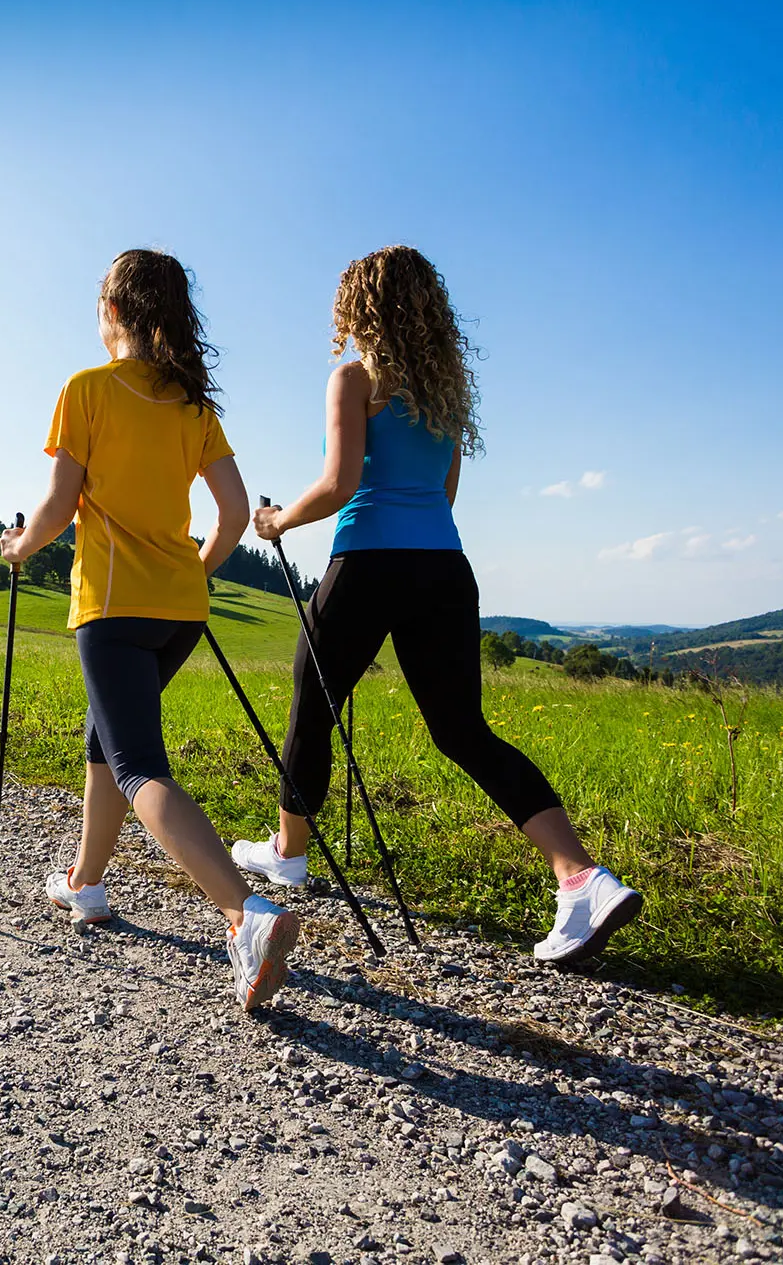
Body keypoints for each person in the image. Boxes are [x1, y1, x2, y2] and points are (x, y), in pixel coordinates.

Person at [242, 245, 642, 965]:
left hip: (366, 559)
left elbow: (337, 485)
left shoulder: (353, 378)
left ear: (359, 308)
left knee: (312, 697)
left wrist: (275, 523)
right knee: (463, 730)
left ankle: (288, 853)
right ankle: (580, 875)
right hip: (444, 567)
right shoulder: (444, 392)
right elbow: (444, 493)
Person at [0, 248, 300, 1010]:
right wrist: (196, 569)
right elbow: (233, 514)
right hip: (180, 610)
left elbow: (60, 504)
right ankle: (86, 884)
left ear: (117, 309)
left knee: (138, 766)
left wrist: (19, 546)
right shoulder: (196, 406)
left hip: (111, 606)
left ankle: (247, 914)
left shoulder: (86, 389)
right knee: (105, 741)